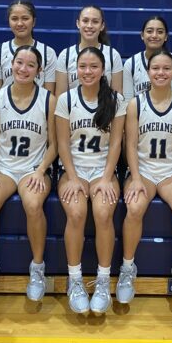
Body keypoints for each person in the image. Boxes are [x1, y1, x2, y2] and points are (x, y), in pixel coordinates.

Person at [0, 45, 57, 302]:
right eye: (19, 62)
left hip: (35, 168)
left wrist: (41, 170)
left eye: (30, 65)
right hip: (5, 167)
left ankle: (37, 267)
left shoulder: (48, 99)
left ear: (39, 71)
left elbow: (55, 144)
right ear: (11, 65)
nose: (23, 68)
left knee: (33, 204)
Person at [120, 50, 172, 306]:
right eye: (156, 68)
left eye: (166, 68)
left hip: (171, 173)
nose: (161, 73)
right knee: (134, 207)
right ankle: (127, 268)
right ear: (148, 72)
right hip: (142, 171)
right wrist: (136, 178)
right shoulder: (135, 104)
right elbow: (130, 146)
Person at [55, 47, 126, 314]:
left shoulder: (116, 100)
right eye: (83, 66)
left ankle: (103, 281)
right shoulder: (66, 99)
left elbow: (116, 143)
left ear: (103, 70)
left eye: (93, 66)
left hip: (102, 169)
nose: (87, 71)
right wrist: (73, 178)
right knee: (76, 213)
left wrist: (107, 178)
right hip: (73, 168)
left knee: (103, 213)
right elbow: (63, 143)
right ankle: (75, 281)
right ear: (76, 69)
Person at [0, 0, 57, 95]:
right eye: (14, 19)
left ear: (33, 22)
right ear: (9, 21)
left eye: (25, 18)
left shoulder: (48, 53)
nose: (20, 23)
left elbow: (49, 96)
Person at [55, 5, 123, 97]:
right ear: (78, 23)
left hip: (105, 106)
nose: (89, 26)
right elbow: (60, 97)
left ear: (102, 26)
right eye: (85, 21)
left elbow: (117, 97)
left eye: (95, 22)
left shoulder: (113, 55)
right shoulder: (65, 55)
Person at [122, 16, 172, 102]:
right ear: (142, 35)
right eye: (149, 31)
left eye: (160, 32)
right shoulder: (131, 64)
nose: (154, 35)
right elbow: (127, 102)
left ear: (166, 36)